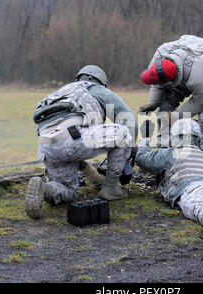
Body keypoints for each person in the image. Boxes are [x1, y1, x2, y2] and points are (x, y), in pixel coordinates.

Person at [25, 65, 138, 219]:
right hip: (72, 137)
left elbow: (70, 149)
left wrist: (93, 175)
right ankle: (111, 188)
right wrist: (130, 150)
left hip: (46, 146)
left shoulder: (61, 93)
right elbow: (128, 118)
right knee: (124, 132)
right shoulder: (96, 89)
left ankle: (44, 189)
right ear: (100, 81)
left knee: (69, 191)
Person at [138, 35, 203, 180]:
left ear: (171, 80)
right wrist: (153, 103)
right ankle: (163, 156)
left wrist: (176, 115)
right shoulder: (161, 54)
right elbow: (157, 83)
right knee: (164, 108)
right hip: (184, 65)